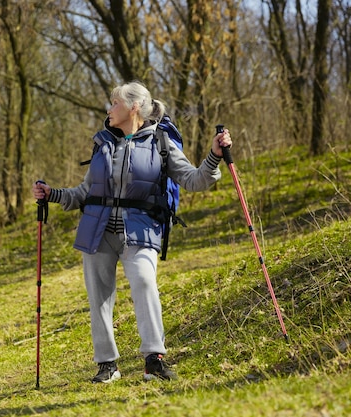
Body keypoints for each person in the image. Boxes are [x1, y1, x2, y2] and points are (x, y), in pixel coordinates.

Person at [32, 81, 232, 383]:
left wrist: (215, 155)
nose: (109, 109)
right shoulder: (103, 143)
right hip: (97, 231)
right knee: (98, 298)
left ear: (133, 107)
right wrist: (53, 194)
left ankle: (154, 359)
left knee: (144, 282)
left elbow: (194, 179)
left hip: (140, 230)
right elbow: (85, 191)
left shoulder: (161, 143)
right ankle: (107, 365)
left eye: (114, 103)